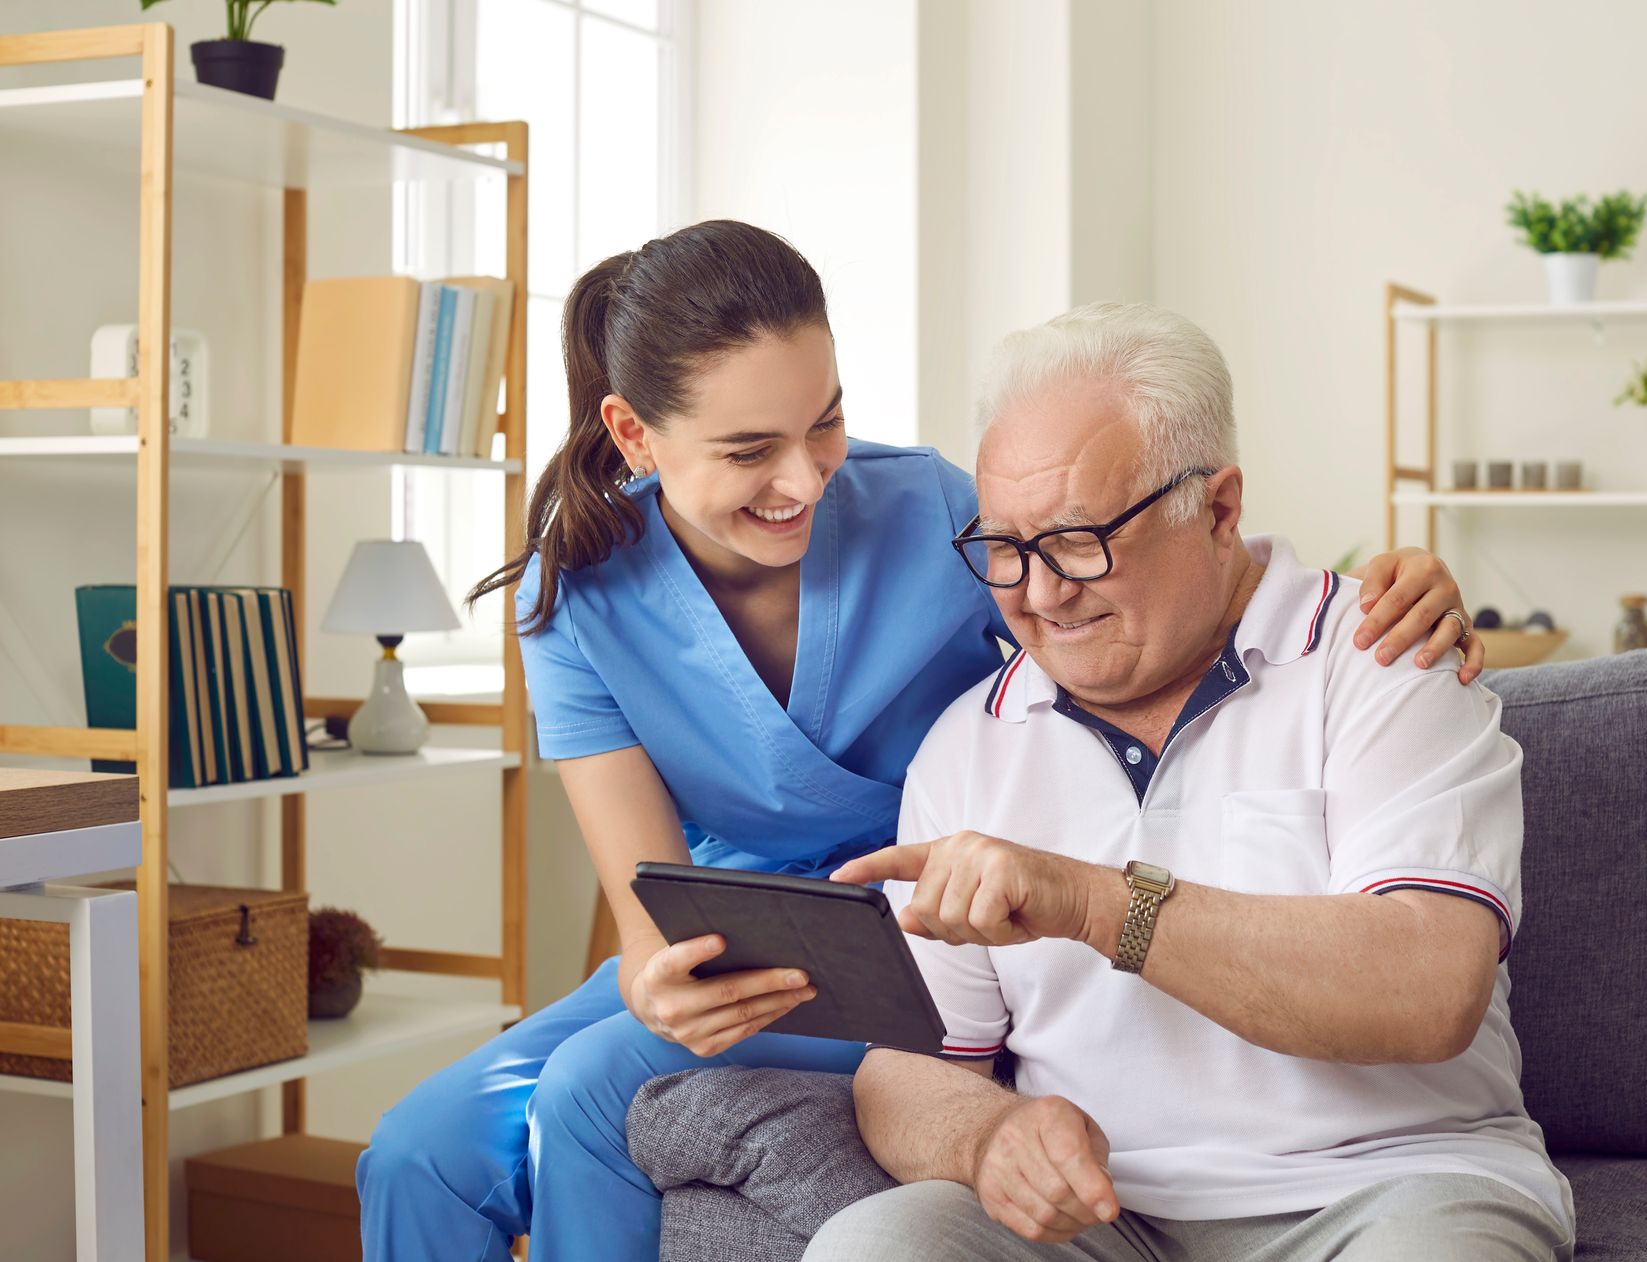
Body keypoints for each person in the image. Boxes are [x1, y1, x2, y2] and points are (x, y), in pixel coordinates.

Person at [354, 221, 1490, 1262]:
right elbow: (654, 896)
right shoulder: (574, 594)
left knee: (596, 1085)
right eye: (751, 448)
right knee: (415, 1152)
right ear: (633, 432)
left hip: (921, 927)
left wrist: (1378, 585)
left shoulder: (931, 514)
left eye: (827, 420)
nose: (804, 478)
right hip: (736, 933)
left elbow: (1139, 599)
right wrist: (659, 987)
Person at [813, 303, 1573, 1261]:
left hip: (1395, 1187)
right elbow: (908, 1064)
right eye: (1007, 548)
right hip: (1104, 1218)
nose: (1041, 595)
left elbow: (1429, 990)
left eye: (1084, 539)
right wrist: (986, 1136)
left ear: (1217, 508)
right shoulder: (968, 744)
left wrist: (1093, 904)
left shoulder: (1385, 657)